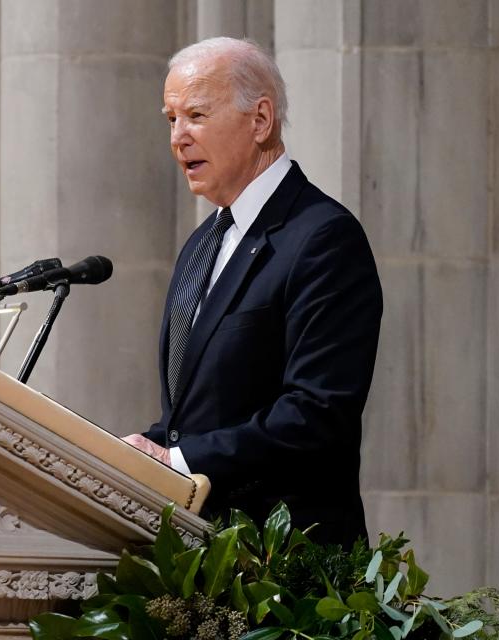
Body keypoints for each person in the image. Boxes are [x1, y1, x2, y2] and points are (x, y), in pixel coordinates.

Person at [123, 37, 382, 549]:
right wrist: (139, 450)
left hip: (287, 568)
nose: (178, 137)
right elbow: (193, 417)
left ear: (260, 120)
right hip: (202, 559)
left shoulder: (322, 237)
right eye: (170, 119)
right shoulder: (202, 244)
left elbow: (316, 411)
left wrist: (177, 462)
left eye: (195, 114)